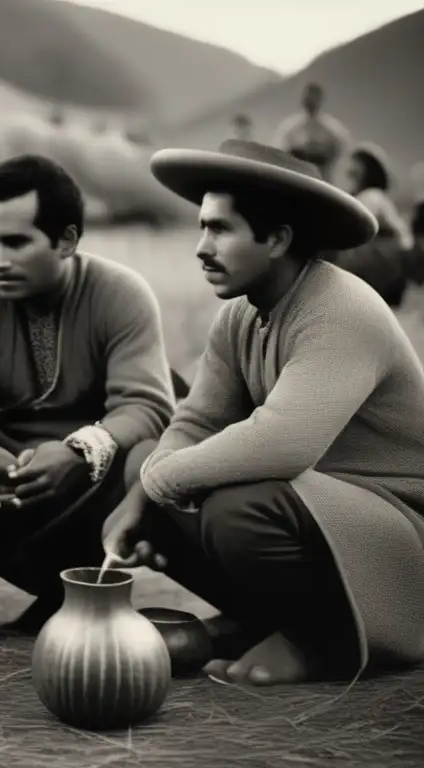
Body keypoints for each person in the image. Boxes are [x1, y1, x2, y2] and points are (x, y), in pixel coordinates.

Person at [103, 139, 424, 687]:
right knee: (140, 463)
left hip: (396, 536)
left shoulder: (342, 309)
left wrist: (158, 486)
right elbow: (196, 424)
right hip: (314, 508)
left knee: (234, 508)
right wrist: (142, 492)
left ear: (277, 239)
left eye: (221, 229)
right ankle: (268, 620)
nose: (202, 247)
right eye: (202, 226)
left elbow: (283, 441)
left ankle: (323, 644)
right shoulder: (239, 318)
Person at [0, 155, 178, 634]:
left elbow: (147, 407)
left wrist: (78, 451)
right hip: (11, 456)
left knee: (148, 450)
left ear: (67, 241)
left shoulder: (122, 293)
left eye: (16, 242)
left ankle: (76, 589)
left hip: (95, 467)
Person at [333, 142, 415, 306]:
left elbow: (356, 224)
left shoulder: (372, 196)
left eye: (357, 168)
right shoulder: (369, 196)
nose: (351, 171)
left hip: (384, 263)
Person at [272, 82, 351, 182]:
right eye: (308, 99)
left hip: (322, 179)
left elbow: (342, 150)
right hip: (295, 177)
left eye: (313, 99)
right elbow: (279, 151)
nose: (310, 103)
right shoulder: (290, 128)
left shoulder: (332, 130)